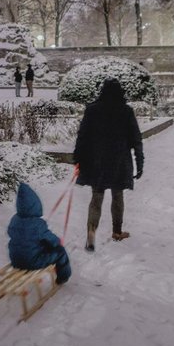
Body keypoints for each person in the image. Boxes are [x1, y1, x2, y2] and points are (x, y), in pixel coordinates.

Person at [74, 79, 144, 250]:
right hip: (119, 160)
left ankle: (91, 232)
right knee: (117, 196)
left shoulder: (92, 110)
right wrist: (139, 161)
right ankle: (117, 231)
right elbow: (136, 138)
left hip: (96, 160)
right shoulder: (126, 111)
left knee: (96, 198)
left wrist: (78, 158)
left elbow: (82, 135)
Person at [7, 182, 72, 284]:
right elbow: (50, 238)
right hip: (32, 262)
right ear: (36, 205)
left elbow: (15, 234)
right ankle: (63, 277)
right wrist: (58, 242)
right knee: (60, 252)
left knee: (35, 244)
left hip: (15, 260)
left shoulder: (14, 220)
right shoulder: (38, 224)